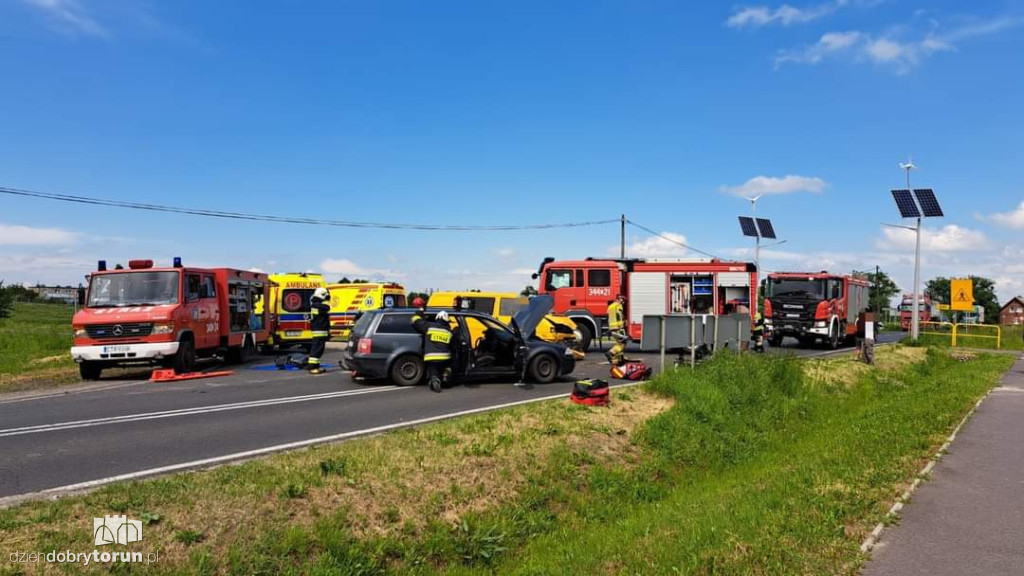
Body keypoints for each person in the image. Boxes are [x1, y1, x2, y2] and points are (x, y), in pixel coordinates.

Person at [411, 308, 454, 393]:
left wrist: (419, 312)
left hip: (430, 357)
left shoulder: (429, 326)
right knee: (450, 364)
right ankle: (445, 374)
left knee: (433, 370)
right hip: (444, 357)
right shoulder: (449, 332)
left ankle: (434, 379)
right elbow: (452, 346)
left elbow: (415, 321)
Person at [307, 287, 331, 374]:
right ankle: (312, 367)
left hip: (320, 330)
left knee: (317, 349)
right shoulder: (317, 306)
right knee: (317, 350)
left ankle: (315, 366)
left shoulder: (316, 305)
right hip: (319, 331)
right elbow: (327, 307)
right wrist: (327, 299)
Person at [606, 295, 627, 365]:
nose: (623, 302)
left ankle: (620, 357)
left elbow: (608, 317)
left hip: (612, 327)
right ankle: (611, 353)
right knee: (622, 343)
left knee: (619, 343)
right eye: (623, 300)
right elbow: (619, 316)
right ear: (619, 299)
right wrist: (622, 323)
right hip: (618, 327)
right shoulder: (618, 306)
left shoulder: (610, 306)